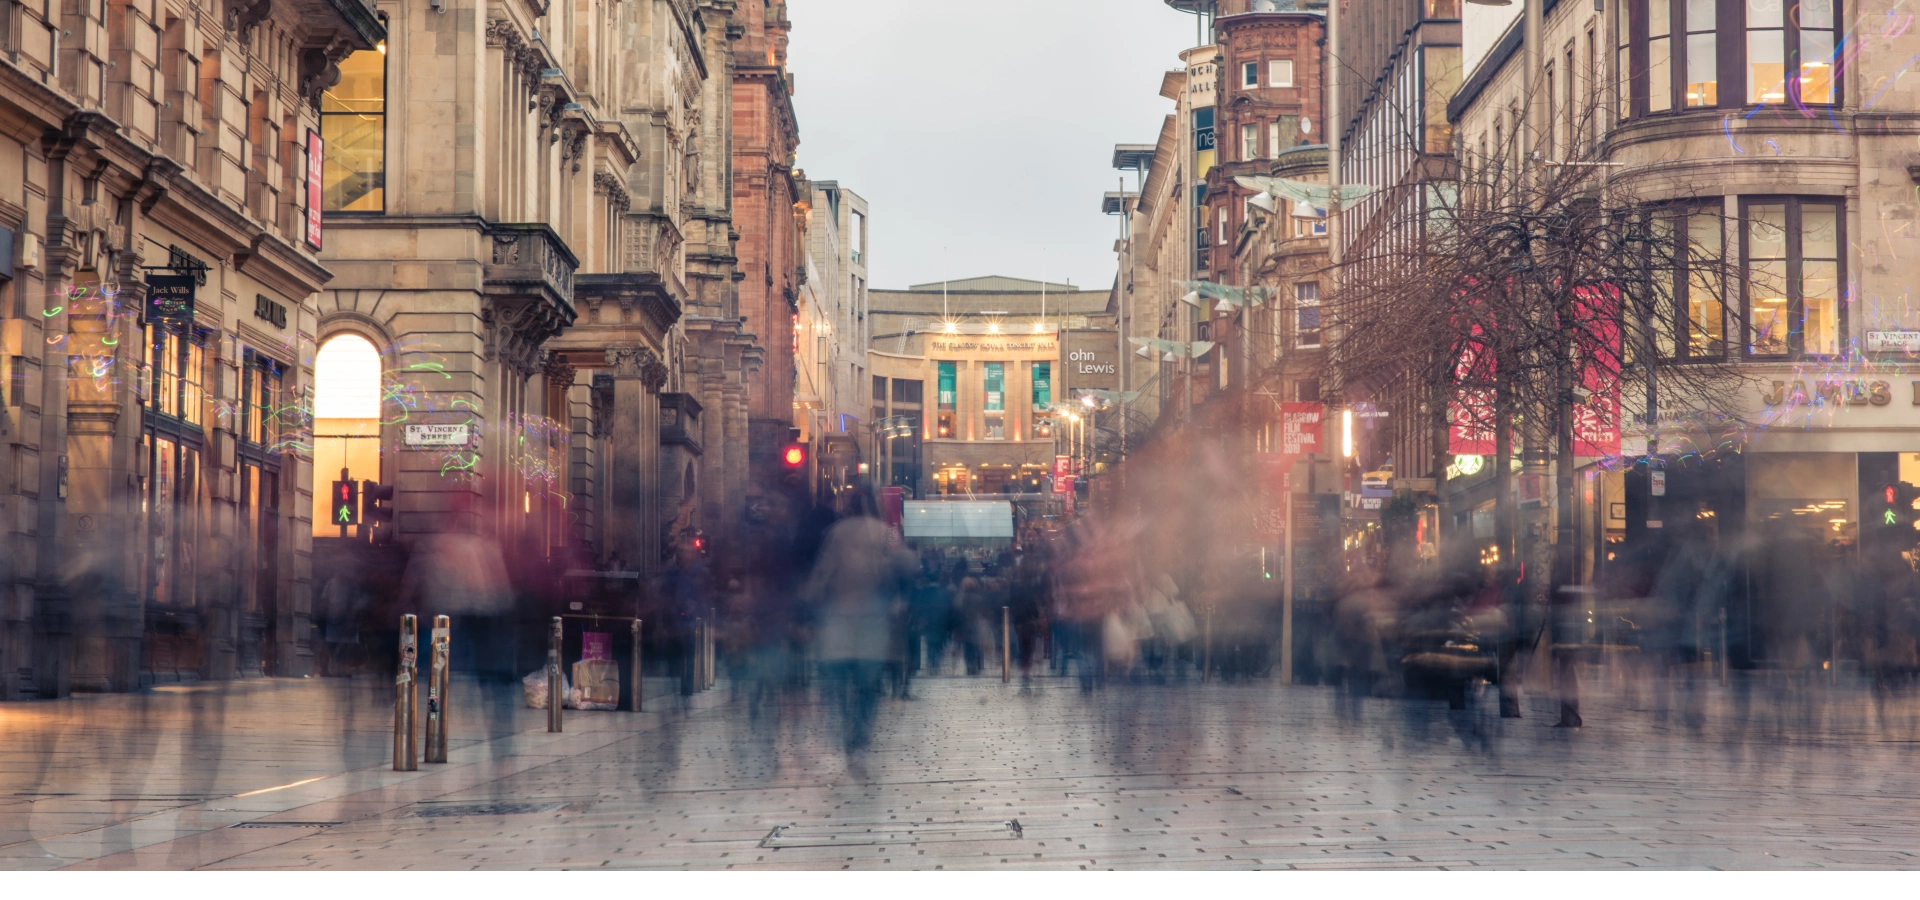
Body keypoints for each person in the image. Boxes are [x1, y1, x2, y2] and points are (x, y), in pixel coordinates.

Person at [803, 487, 916, 771]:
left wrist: (811, 601)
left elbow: (822, 572)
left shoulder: (836, 532)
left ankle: (844, 730)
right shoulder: (885, 531)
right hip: (872, 618)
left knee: (837, 681)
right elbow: (904, 562)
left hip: (839, 616)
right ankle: (860, 736)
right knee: (868, 684)